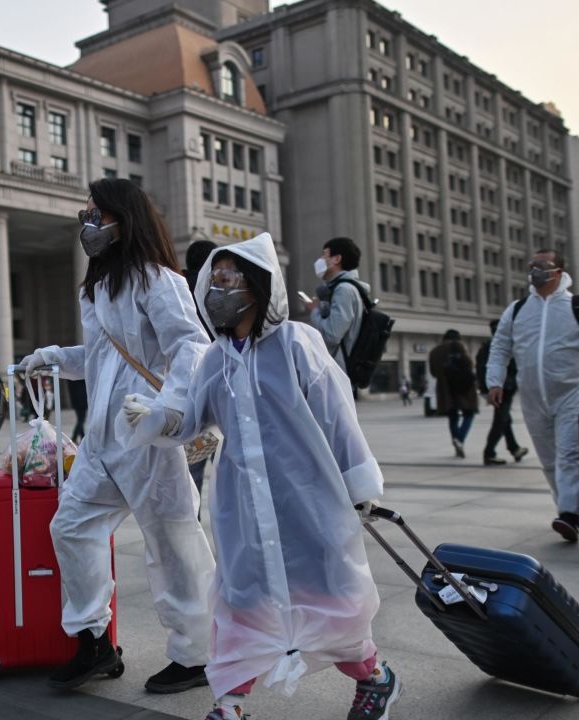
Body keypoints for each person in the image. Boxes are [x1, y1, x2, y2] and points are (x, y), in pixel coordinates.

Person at [122, 234, 400, 720]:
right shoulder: (215, 359)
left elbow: (336, 415)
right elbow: (190, 420)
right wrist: (154, 416)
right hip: (244, 506)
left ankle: (375, 679)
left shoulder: (298, 343)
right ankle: (229, 704)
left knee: (329, 601)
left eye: (230, 278)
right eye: (215, 279)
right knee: (241, 599)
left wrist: (359, 487)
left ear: (257, 285)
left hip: (308, 498)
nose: (218, 289)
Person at [20, 178, 215, 694]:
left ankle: (196, 654)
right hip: (103, 440)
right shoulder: (100, 287)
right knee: (72, 526)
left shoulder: (159, 281)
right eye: (85, 215)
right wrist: (56, 359)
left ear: (123, 220)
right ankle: (94, 641)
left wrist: (168, 410)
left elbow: (190, 349)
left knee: (171, 542)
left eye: (95, 214)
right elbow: (101, 359)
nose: (87, 224)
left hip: (149, 436)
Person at [487, 249, 579, 542]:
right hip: (533, 397)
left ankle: (570, 515)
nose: (535, 270)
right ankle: (569, 510)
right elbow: (500, 348)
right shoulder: (518, 309)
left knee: (570, 455)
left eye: (543, 265)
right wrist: (494, 381)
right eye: (531, 265)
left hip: (574, 391)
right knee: (549, 460)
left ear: (559, 271)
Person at [306, 237, 367, 387]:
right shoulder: (343, 289)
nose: (320, 260)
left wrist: (314, 311)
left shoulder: (344, 290)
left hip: (339, 374)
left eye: (324, 255)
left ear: (337, 259)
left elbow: (332, 334)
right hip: (339, 372)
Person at [184, 238, 218, 499]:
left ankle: (190, 532)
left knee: (191, 475)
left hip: (190, 398)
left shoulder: (177, 289)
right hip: (220, 394)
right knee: (231, 472)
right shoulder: (216, 290)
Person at [477, 320, 528, 466]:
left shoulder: (485, 347)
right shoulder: (504, 347)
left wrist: (484, 389)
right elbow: (513, 367)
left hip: (494, 388)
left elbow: (480, 370)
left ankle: (514, 448)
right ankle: (489, 453)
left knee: (504, 419)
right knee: (500, 421)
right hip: (504, 389)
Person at [429, 329, 479, 458]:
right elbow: (469, 364)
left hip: (444, 389)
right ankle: (460, 439)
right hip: (462, 388)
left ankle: (456, 440)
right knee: (469, 413)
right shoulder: (457, 346)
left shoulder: (434, 352)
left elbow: (433, 373)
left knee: (453, 416)